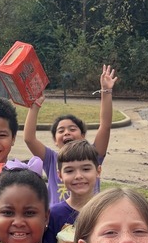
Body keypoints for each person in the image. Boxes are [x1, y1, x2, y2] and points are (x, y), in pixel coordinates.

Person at [24, 64, 117, 207]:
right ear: (55, 140)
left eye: (72, 129)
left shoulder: (93, 155)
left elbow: (105, 126)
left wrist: (106, 91)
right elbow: (29, 139)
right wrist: (35, 106)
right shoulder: (51, 159)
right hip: (59, 224)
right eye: (60, 131)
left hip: (89, 219)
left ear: (83, 135)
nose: (66, 132)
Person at [43, 140, 102, 243]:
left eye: (86, 169)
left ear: (98, 171)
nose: (78, 176)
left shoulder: (107, 211)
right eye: (70, 171)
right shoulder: (54, 214)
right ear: (60, 175)